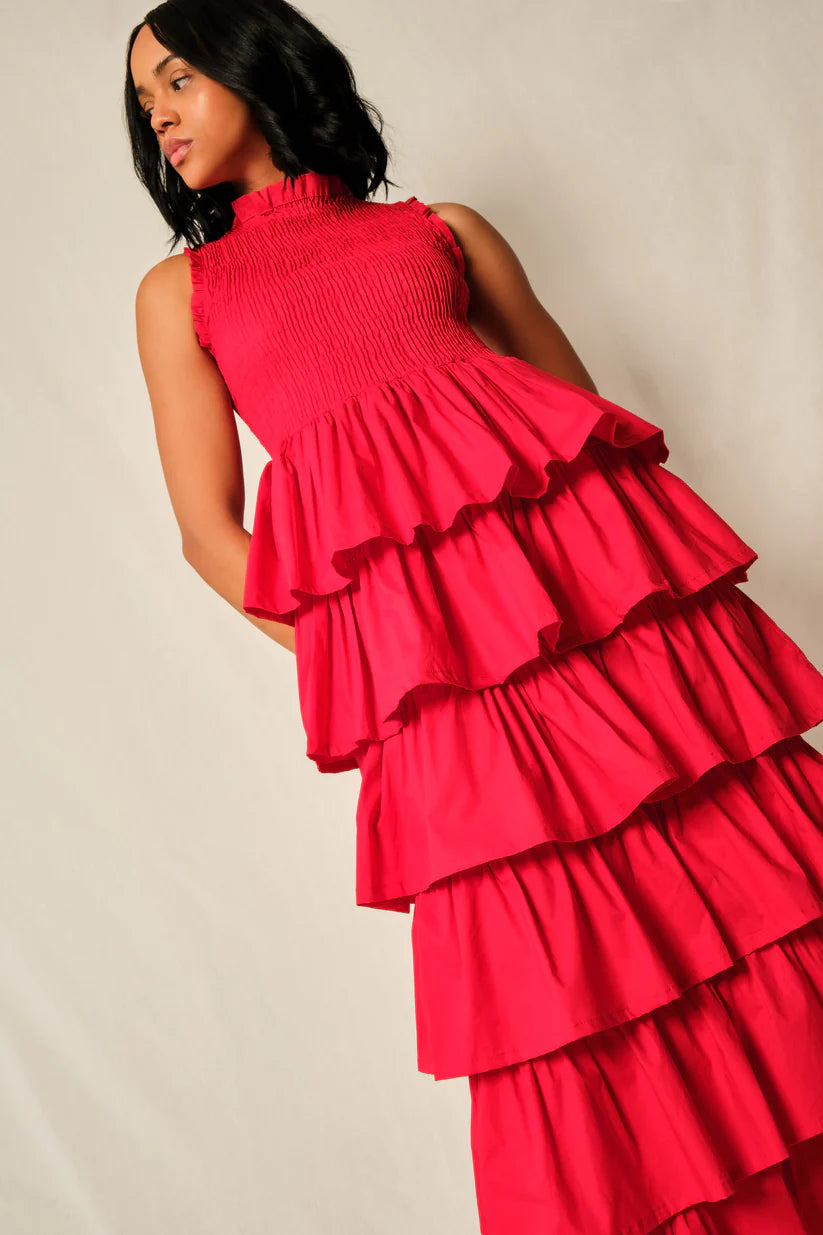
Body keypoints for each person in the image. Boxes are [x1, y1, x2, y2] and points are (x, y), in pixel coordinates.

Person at [129, 2, 823, 1230]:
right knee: (562, 984)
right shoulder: (184, 291)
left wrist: (582, 607)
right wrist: (378, 664)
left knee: (748, 885)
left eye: (179, 79)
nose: (159, 114)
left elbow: (579, 423)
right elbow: (209, 534)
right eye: (145, 101)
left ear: (257, 65)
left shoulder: (438, 232)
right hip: (444, 697)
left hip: (610, 646)